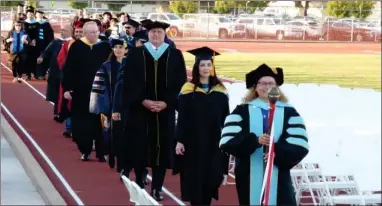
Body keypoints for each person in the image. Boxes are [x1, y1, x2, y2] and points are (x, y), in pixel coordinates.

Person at [219, 63, 309, 205]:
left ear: (276, 88)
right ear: (255, 87)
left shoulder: (289, 112)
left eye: (270, 83)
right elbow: (228, 141)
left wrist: (276, 150)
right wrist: (254, 141)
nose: (266, 87)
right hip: (248, 174)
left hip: (279, 174)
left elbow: (300, 144)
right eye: (262, 83)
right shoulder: (241, 110)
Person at [121, 20, 187, 201]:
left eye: (159, 32)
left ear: (165, 34)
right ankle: (140, 184)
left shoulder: (174, 55)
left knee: (162, 150)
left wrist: (167, 102)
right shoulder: (136, 53)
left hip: (164, 112)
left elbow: (179, 83)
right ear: (147, 34)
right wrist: (143, 100)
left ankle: (157, 187)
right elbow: (129, 82)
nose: (155, 35)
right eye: (152, 32)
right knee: (140, 148)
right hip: (141, 111)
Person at [173, 46, 230, 205]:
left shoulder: (221, 91)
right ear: (197, 67)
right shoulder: (187, 90)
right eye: (202, 65)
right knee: (194, 183)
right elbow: (182, 117)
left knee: (210, 181)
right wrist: (179, 139)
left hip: (213, 143)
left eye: (208, 65)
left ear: (212, 67)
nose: (205, 68)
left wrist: (226, 140)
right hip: (193, 143)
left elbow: (226, 117)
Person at [62, 21, 111, 161]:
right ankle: (85, 149)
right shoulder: (77, 47)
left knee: (100, 123)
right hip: (81, 92)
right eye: (91, 32)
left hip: (101, 92)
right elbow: (69, 69)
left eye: (97, 32)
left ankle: (102, 152)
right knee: (82, 124)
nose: (95, 34)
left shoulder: (105, 46)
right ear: (84, 33)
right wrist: (67, 89)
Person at [89, 38, 127, 170]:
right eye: (116, 47)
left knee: (123, 134)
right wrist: (102, 106)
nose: (118, 50)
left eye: (121, 47)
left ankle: (121, 161)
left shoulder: (130, 65)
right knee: (111, 133)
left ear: (126, 50)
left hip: (125, 104)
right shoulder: (106, 66)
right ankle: (112, 155)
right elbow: (99, 87)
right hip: (109, 102)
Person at [38, 25, 72, 121]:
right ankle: (57, 112)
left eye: (64, 30)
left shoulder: (72, 43)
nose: (62, 32)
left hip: (66, 72)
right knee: (56, 93)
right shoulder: (56, 42)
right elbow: (47, 52)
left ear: (70, 31)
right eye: (61, 30)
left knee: (65, 92)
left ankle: (64, 113)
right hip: (55, 71)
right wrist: (42, 57)